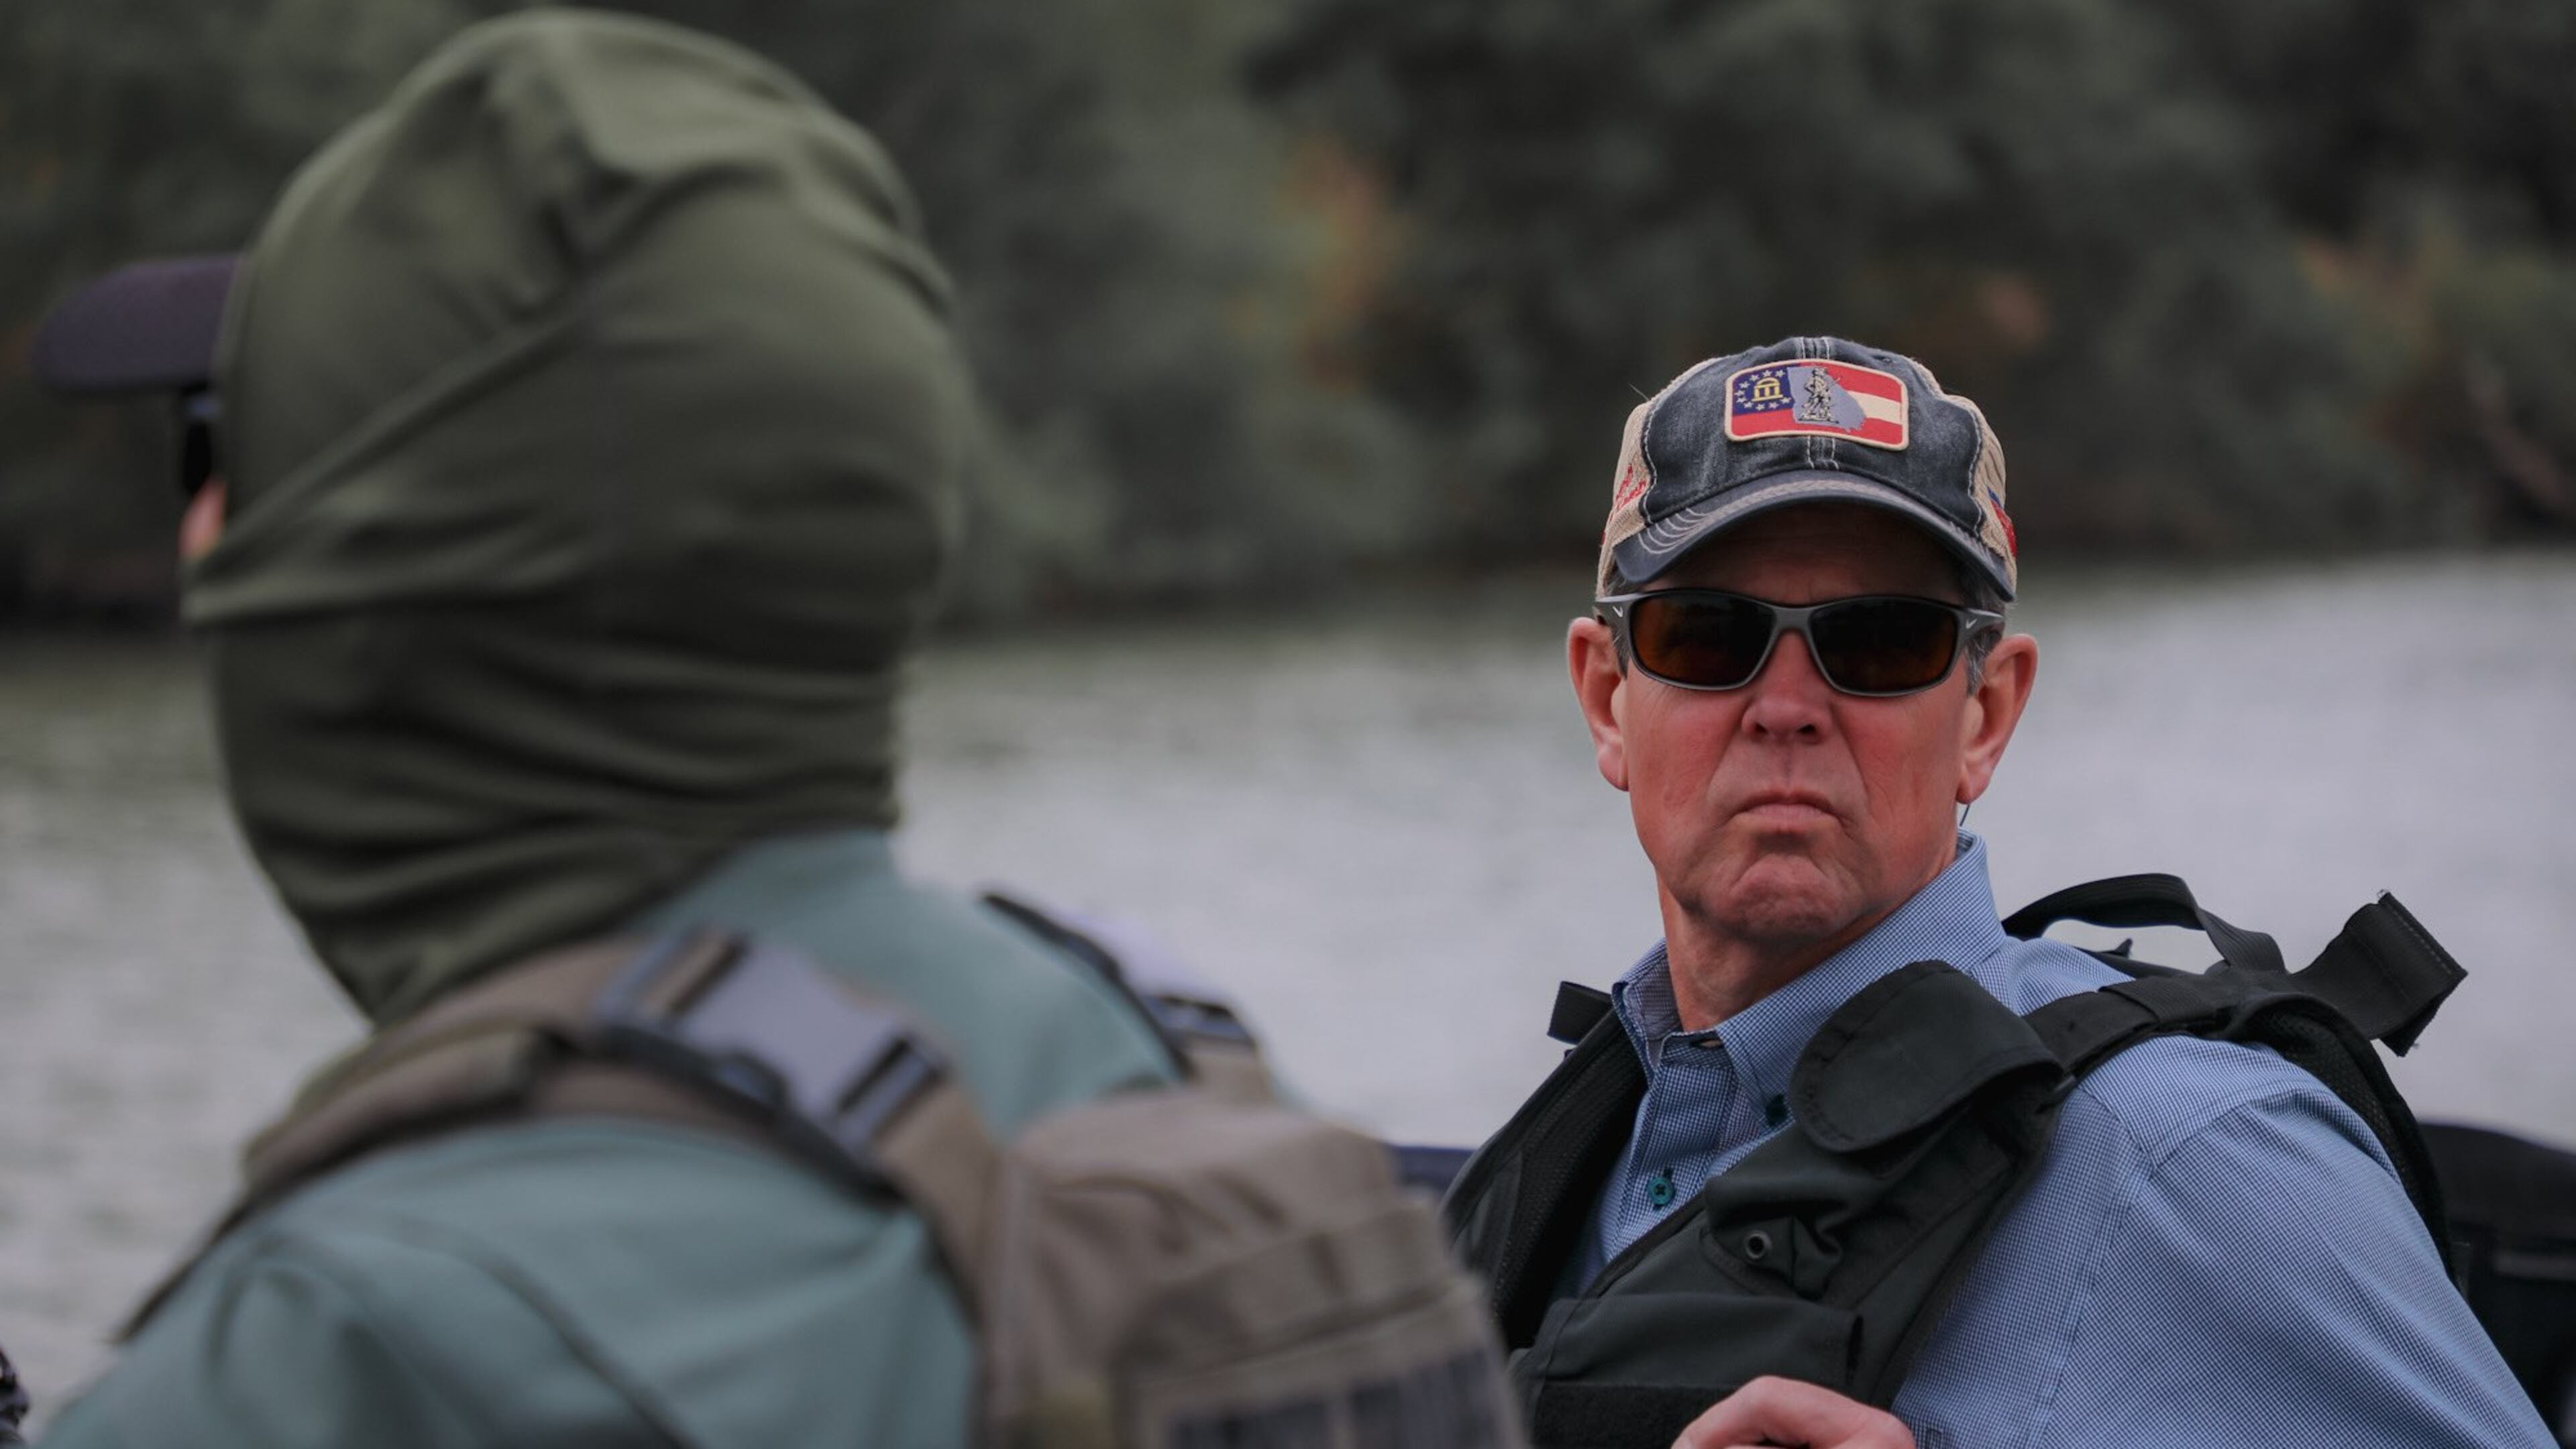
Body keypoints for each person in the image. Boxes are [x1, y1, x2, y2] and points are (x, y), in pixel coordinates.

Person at [29, 14, 1513, 1446]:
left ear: (360, 574)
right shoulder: (1161, 1068)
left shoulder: (354, 1351)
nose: (199, 524)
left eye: (228, 444)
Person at [1441, 339, 2555, 1448]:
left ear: (1985, 717)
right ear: (1605, 698)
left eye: (1881, 642)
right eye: (1707, 635)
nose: (1786, 706)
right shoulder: (1569, 1153)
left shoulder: (2201, 1153)